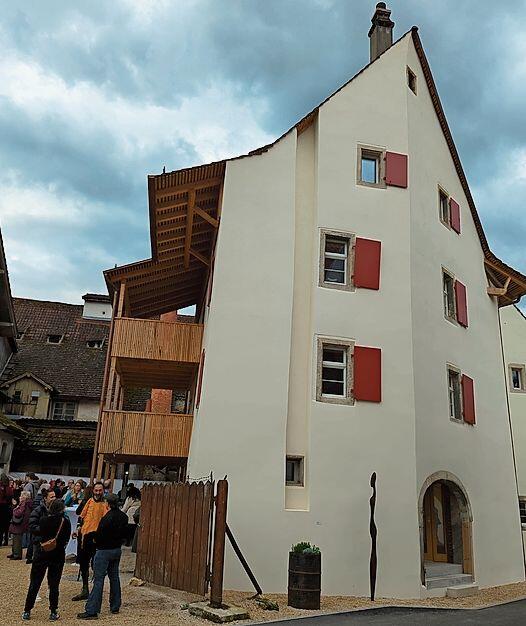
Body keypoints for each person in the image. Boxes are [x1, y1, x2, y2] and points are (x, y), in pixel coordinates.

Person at [77, 494, 128, 620]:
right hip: (116, 549)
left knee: (98, 579)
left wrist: (93, 539)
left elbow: (99, 536)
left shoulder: (106, 518)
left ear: (107, 504)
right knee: (114, 577)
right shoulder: (123, 517)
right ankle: (115, 605)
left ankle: (92, 610)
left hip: (104, 550)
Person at [22, 498, 71, 621]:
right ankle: (53, 611)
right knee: (54, 584)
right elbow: (66, 539)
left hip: (42, 553)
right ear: (62, 509)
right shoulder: (65, 522)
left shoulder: (43, 520)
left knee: (35, 583)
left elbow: (38, 534)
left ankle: (27, 610)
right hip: (57, 555)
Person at [72, 482, 109, 601]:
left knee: (96, 564)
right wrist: (78, 527)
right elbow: (81, 516)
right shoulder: (88, 501)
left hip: (98, 538)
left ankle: (95, 591)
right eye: (96, 490)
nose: (98, 492)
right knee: (83, 563)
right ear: (93, 490)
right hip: (84, 537)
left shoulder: (105, 504)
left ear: (103, 491)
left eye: (100, 490)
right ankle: (84, 589)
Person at [8, 490, 32, 560]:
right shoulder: (26, 503)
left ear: (24, 497)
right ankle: (14, 553)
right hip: (21, 523)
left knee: (17, 540)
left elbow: (18, 513)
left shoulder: (24, 504)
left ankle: (17, 554)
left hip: (19, 523)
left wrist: (15, 507)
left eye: (21, 496)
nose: (20, 497)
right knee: (15, 539)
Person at [0, 473, 14, 546]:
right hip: (8, 508)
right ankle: (6, 541)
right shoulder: (10, 489)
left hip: (1, 508)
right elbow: (11, 498)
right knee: (6, 526)